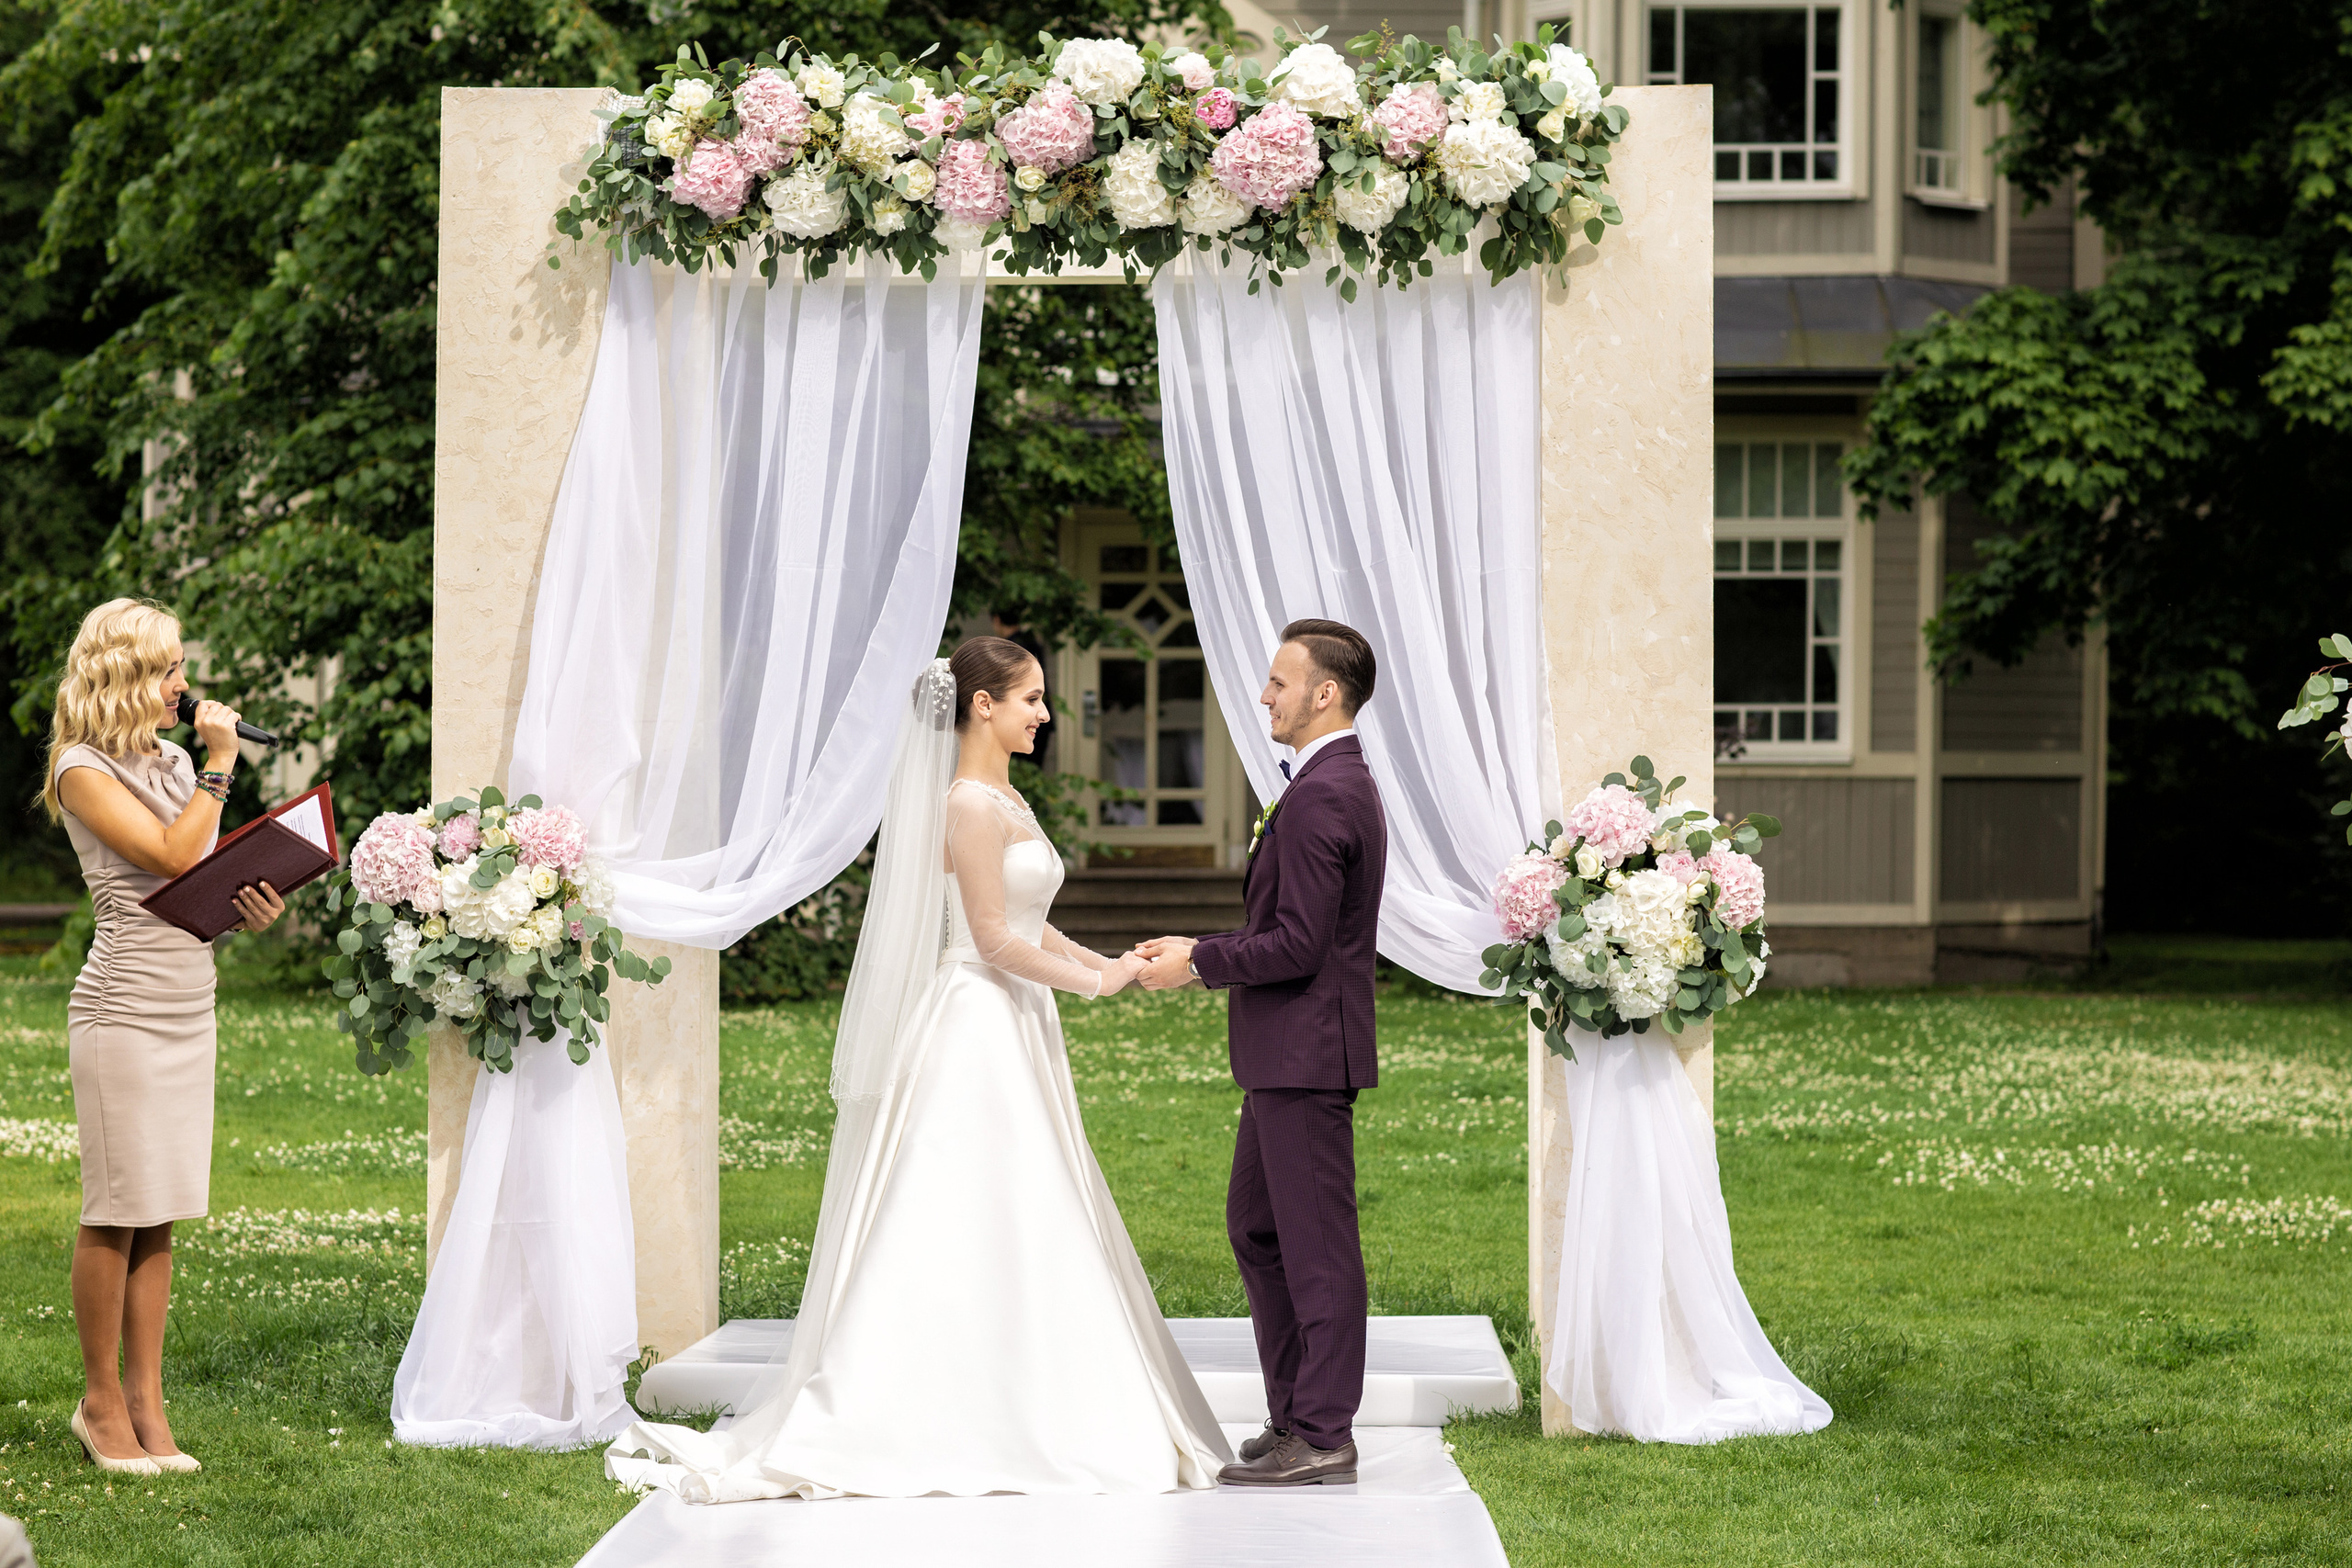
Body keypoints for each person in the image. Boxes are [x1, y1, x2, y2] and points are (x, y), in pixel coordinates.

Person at [607, 639, 1230, 1501]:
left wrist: (1110, 961)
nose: (1044, 714)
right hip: (977, 1018)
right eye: (1031, 698)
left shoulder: (1006, 797)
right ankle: (936, 1399)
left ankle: (1021, 1385)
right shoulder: (968, 804)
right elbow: (991, 938)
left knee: (1026, 1195)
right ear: (982, 704)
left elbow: (1030, 918)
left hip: (1016, 1016)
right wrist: (1098, 983)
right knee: (971, 1197)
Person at [1135, 618, 1388, 1488]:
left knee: (1318, 1247)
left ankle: (1322, 1432)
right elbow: (1285, 926)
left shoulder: (1326, 793)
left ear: (1325, 693)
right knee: (1258, 1227)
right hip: (1285, 1054)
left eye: (1280, 682)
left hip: (1308, 1053)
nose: (1264, 695)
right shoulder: (1320, 784)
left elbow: (1298, 945)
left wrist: (1197, 961)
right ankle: (1294, 1414)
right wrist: (1201, 945)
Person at [40, 599, 285, 1478]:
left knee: (160, 1207)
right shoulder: (81, 767)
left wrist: (247, 906)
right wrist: (222, 763)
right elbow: (172, 854)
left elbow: (196, 884)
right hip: (124, 1011)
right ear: (127, 673)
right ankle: (101, 1403)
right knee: (117, 1207)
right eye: (171, 667)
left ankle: (147, 1401)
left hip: (189, 1002)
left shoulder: (174, 760)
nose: (186, 683)